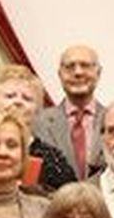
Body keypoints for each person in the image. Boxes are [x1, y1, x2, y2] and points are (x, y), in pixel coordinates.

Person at [0, 64, 78, 191]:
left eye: (27, 98)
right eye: (10, 96)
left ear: (38, 111)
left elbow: (70, 201)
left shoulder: (52, 160)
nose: (18, 102)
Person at [32, 45, 106, 179]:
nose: (78, 72)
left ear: (98, 73)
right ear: (60, 74)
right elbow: (31, 179)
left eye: (85, 66)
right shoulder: (37, 122)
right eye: (69, 66)